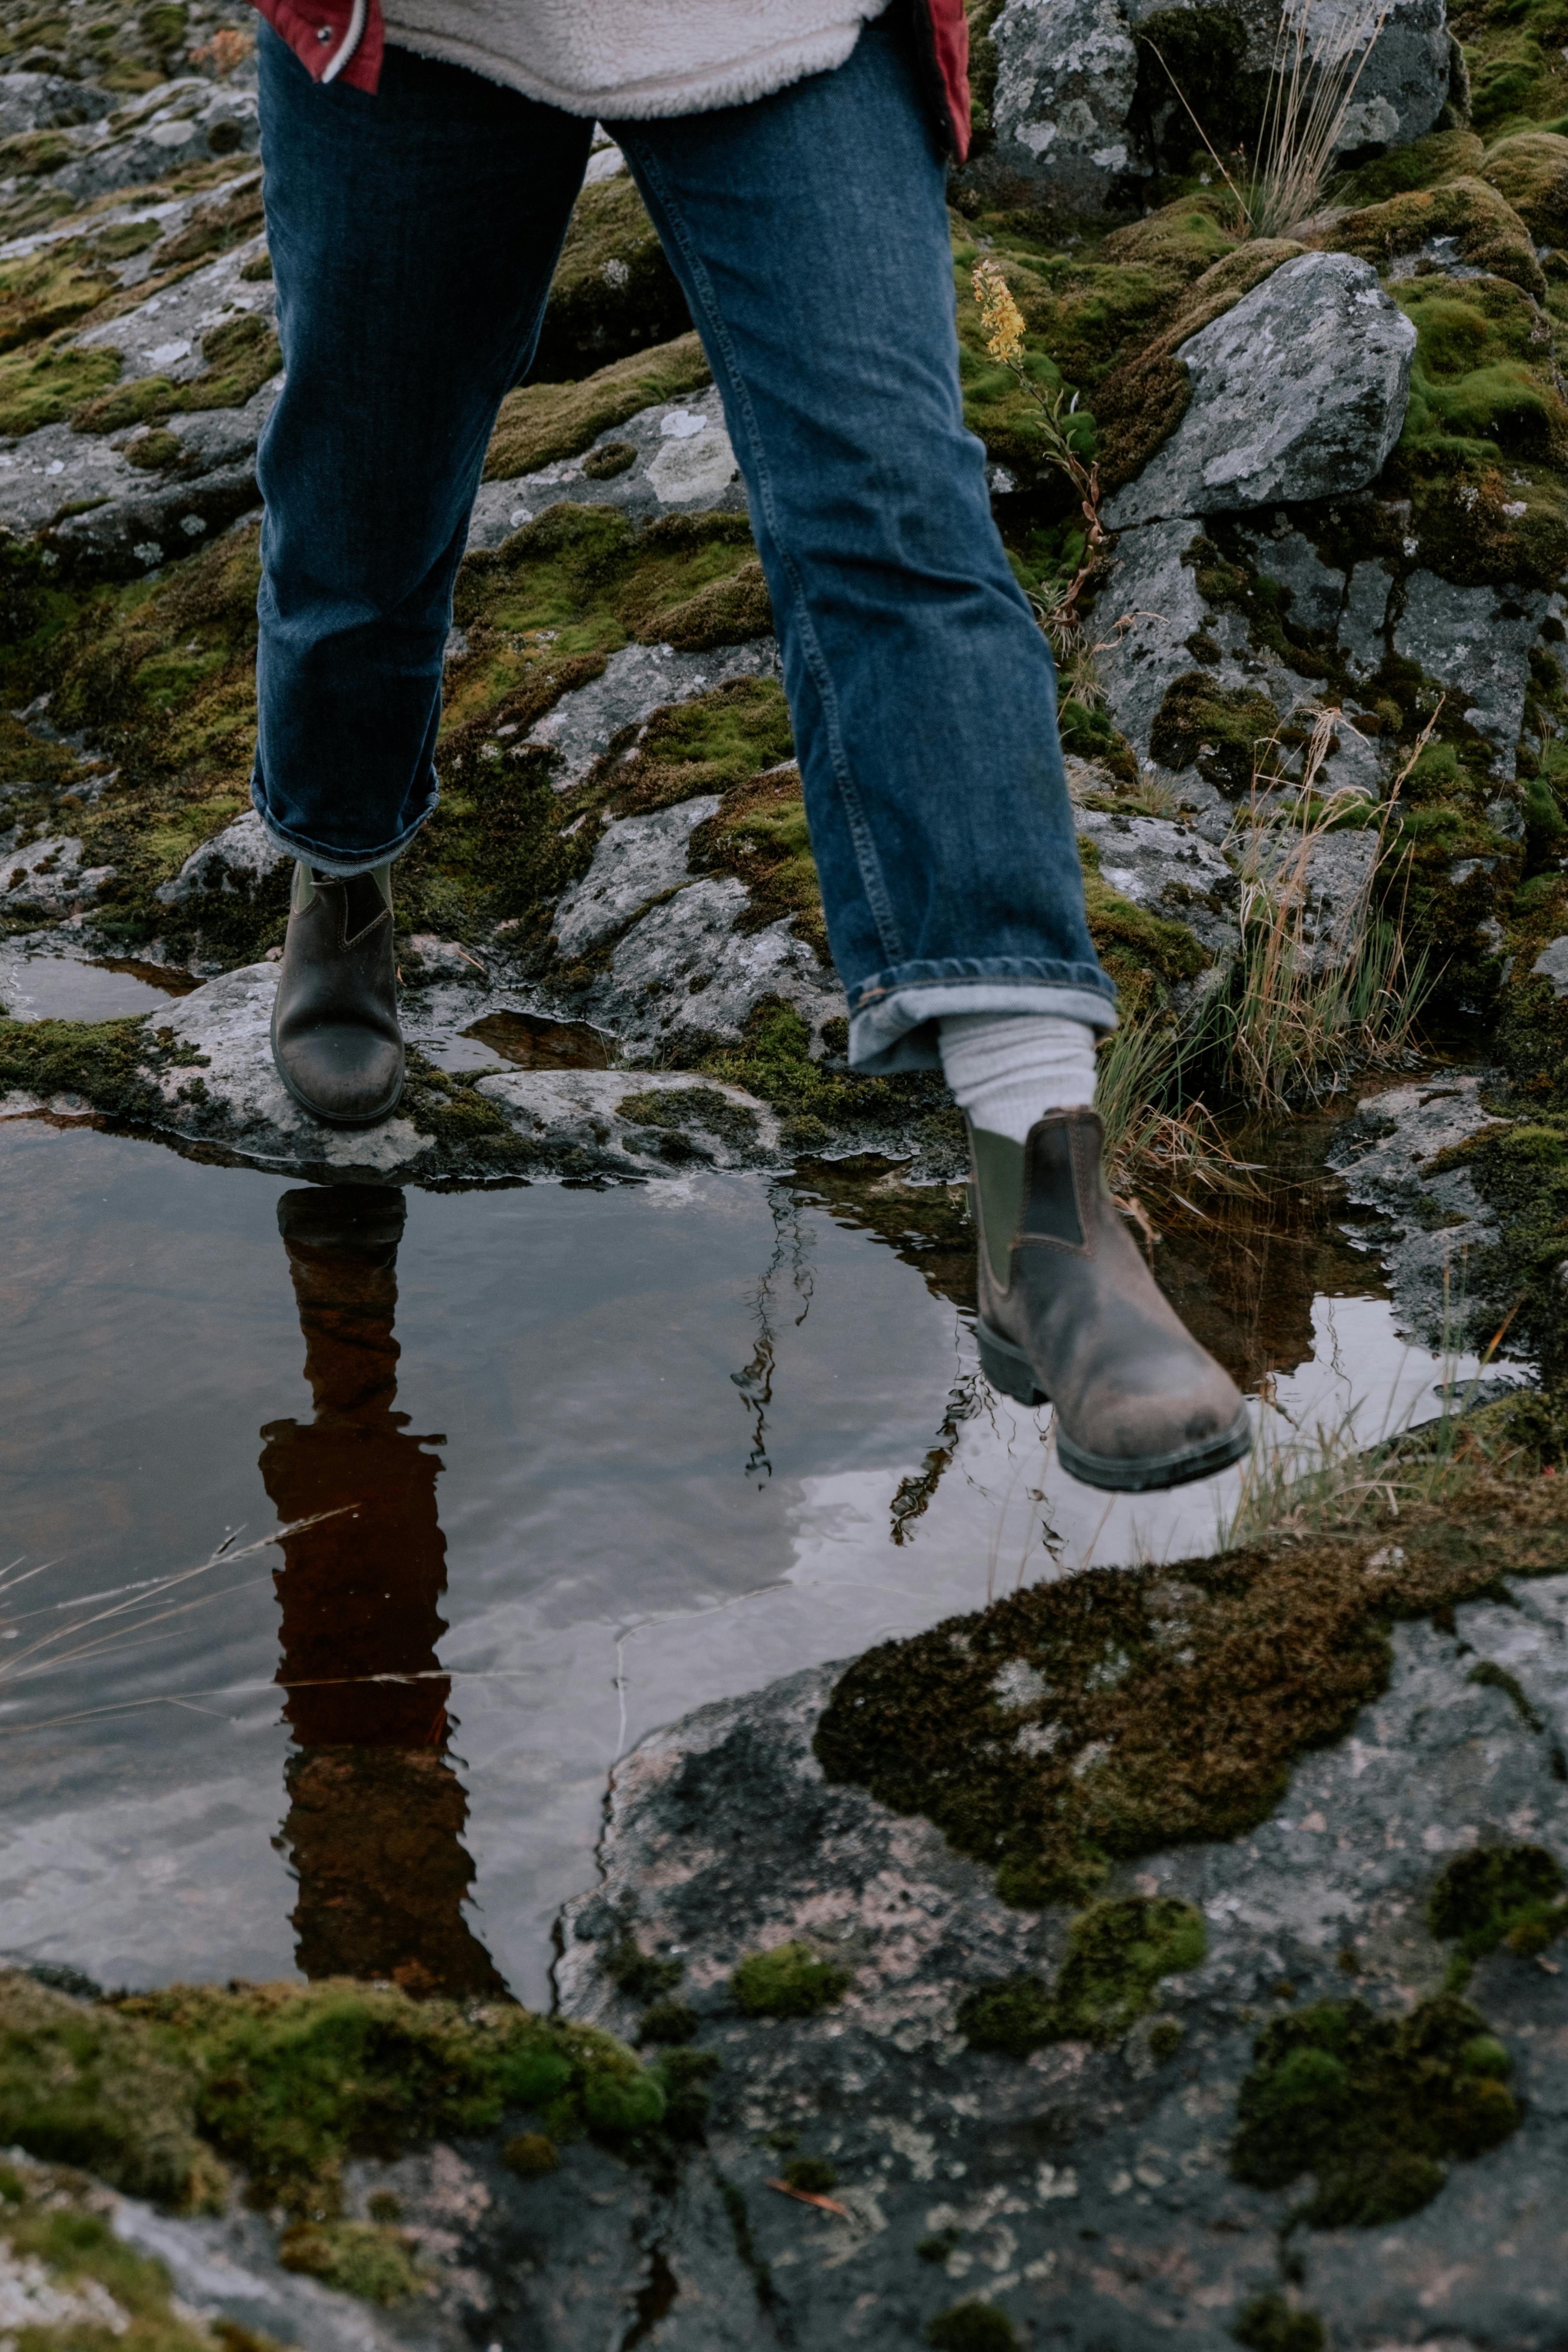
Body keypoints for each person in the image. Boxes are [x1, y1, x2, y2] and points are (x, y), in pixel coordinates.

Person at [245, 0, 1251, 1493]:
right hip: (431, 28)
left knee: (895, 508)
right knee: (362, 503)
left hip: (773, 19)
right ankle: (340, 875)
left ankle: (1045, 1212)